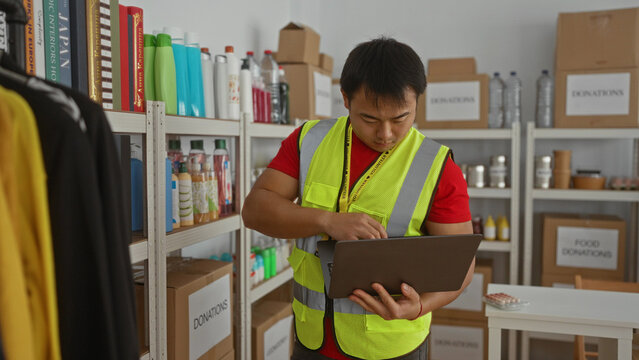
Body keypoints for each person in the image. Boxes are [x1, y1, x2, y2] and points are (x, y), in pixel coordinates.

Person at [242, 37, 474, 360]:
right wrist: (327, 220)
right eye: (370, 119)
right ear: (345, 99)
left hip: (391, 348)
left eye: (400, 118)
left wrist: (421, 305)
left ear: (417, 102)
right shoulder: (309, 141)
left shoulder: (436, 166)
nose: (386, 134)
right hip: (312, 342)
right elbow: (254, 210)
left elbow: (460, 264)